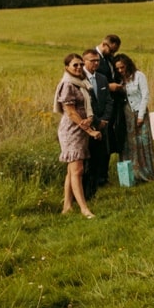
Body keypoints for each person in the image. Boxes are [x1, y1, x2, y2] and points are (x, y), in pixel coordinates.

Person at [54, 52, 99, 218]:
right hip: (71, 130)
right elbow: (71, 112)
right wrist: (89, 130)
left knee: (72, 170)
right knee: (77, 170)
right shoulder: (68, 84)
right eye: (75, 65)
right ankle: (84, 208)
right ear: (67, 67)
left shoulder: (80, 82)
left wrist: (89, 120)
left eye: (80, 64)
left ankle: (67, 206)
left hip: (81, 127)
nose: (79, 67)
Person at [114, 52, 154, 183]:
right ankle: (131, 172)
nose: (120, 70)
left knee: (142, 142)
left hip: (139, 110)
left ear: (127, 65)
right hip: (126, 114)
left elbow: (145, 95)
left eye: (122, 67)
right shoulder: (119, 80)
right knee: (129, 143)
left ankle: (146, 171)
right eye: (118, 68)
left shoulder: (139, 76)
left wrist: (140, 115)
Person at [81, 47, 113, 197]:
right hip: (89, 124)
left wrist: (105, 119)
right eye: (92, 61)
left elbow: (108, 100)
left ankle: (96, 187)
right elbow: (88, 104)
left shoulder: (102, 78)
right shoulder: (80, 79)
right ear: (84, 61)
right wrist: (96, 120)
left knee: (100, 157)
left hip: (102, 124)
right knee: (88, 159)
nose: (95, 63)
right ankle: (85, 190)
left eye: (97, 61)